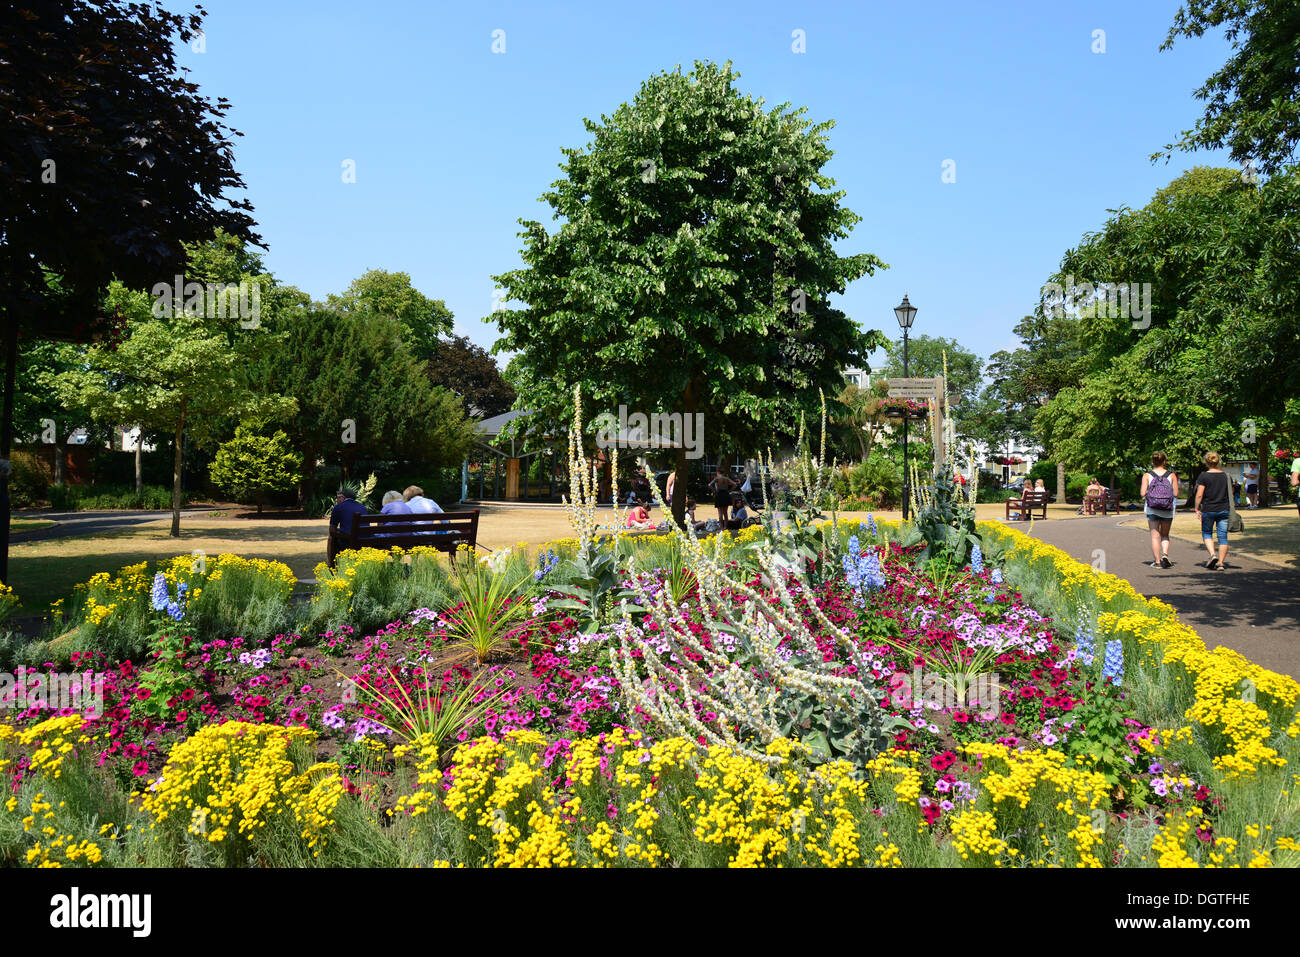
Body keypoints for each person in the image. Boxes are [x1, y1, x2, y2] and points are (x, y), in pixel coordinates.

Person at [1140, 452, 1179, 568]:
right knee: (1165, 535)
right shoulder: (1171, 475)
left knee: (1154, 535)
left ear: (1153, 461)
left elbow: (1142, 493)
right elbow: (1176, 493)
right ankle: (1165, 554)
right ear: (1165, 461)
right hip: (1167, 509)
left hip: (1152, 508)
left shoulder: (1147, 475)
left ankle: (1157, 562)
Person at [1194, 452, 1232, 569]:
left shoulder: (1203, 476)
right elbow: (1231, 492)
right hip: (1224, 509)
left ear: (1206, 462)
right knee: (1223, 537)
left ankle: (1213, 555)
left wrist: (1196, 508)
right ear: (1218, 461)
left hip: (1208, 509)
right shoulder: (1226, 476)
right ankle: (1221, 562)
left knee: (1207, 533)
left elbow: (1199, 495)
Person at [327, 485, 368, 563]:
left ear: (343, 497)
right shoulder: (363, 507)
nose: (336, 500)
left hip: (349, 541)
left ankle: (331, 564)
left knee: (331, 538)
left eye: (338, 497)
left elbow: (332, 530)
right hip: (365, 540)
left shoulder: (338, 507)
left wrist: (339, 531)